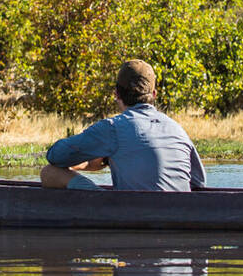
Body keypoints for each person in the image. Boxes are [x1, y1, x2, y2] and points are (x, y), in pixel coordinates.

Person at [41, 59, 206, 191]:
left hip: (131, 214)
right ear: (154, 94)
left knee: (50, 172)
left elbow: (55, 156)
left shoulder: (113, 128)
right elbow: (198, 182)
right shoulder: (177, 128)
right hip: (180, 212)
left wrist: (99, 155)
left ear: (117, 94)